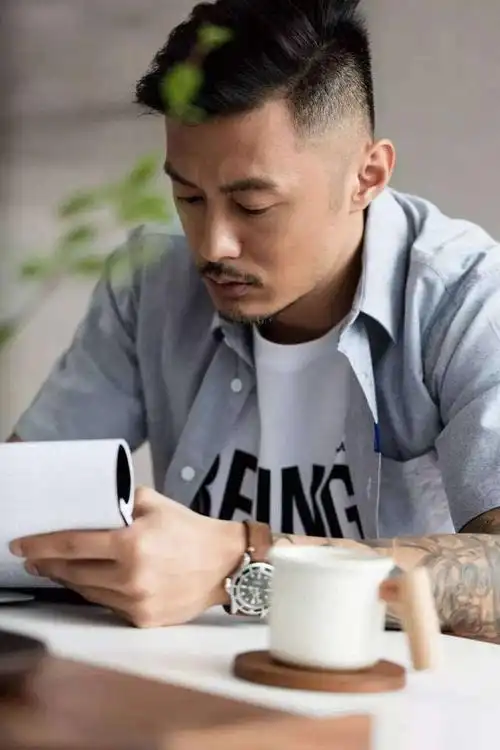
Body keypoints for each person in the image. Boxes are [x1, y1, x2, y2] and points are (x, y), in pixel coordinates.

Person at [7, 0, 500, 638]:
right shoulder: (152, 283)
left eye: (253, 206)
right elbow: (20, 508)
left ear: (367, 176)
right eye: (188, 196)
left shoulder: (466, 300)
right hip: (176, 678)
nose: (213, 245)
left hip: (391, 688)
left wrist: (245, 562)